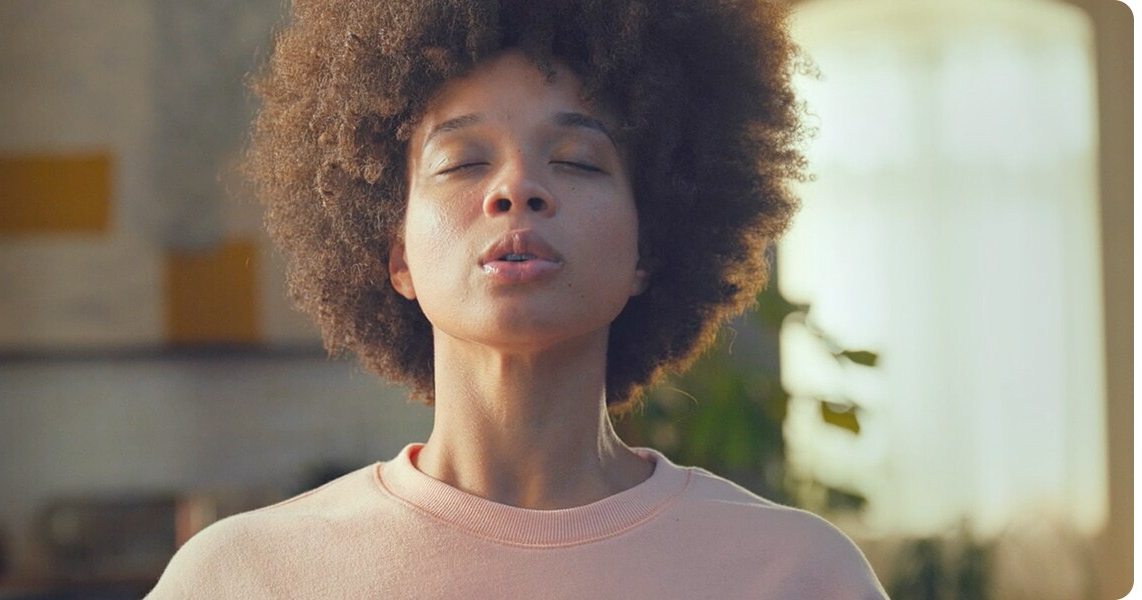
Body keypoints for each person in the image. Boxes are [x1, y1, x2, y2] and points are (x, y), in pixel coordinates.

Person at [147, 0, 887, 597]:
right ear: (396, 252)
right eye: (463, 161)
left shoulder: (796, 574)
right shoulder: (241, 577)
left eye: (576, 162)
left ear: (648, 250)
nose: (515, 189)